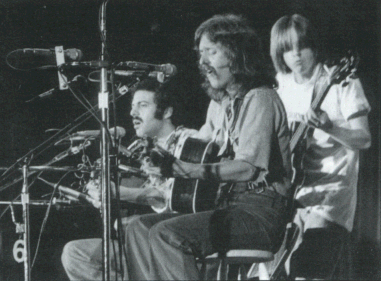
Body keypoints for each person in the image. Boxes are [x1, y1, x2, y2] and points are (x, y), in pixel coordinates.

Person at [124, 14, 292, 280]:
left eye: (211, 52)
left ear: (236, 54)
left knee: (167, 234)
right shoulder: (225, 105)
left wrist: (184, 169)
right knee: (138, 227)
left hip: (259, 215)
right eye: (201, 55)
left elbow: (246, 169)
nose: (202, 63)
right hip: (230, 207)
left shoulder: (260, 98)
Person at [61, 77, 197, 280]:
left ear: (167, 112)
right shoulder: (139, 148)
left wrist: (122, 193)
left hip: (172, 238)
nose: (133, 113)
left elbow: (173, 196)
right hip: (139, 237)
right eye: (133, 106)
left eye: (142, 105)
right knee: (75, 253)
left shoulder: (190, 141)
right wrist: (101, 194)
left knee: (136, 228)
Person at [270, 14, 371, 279]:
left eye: (301, 46)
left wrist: (330, 128)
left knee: (310, 270)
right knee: (279, 271)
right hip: (291, 193)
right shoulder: (281, 84)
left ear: (313, 45)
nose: (296, 55)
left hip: (331, 193)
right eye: (288, 49)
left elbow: (364, 138)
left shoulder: (341, 81)